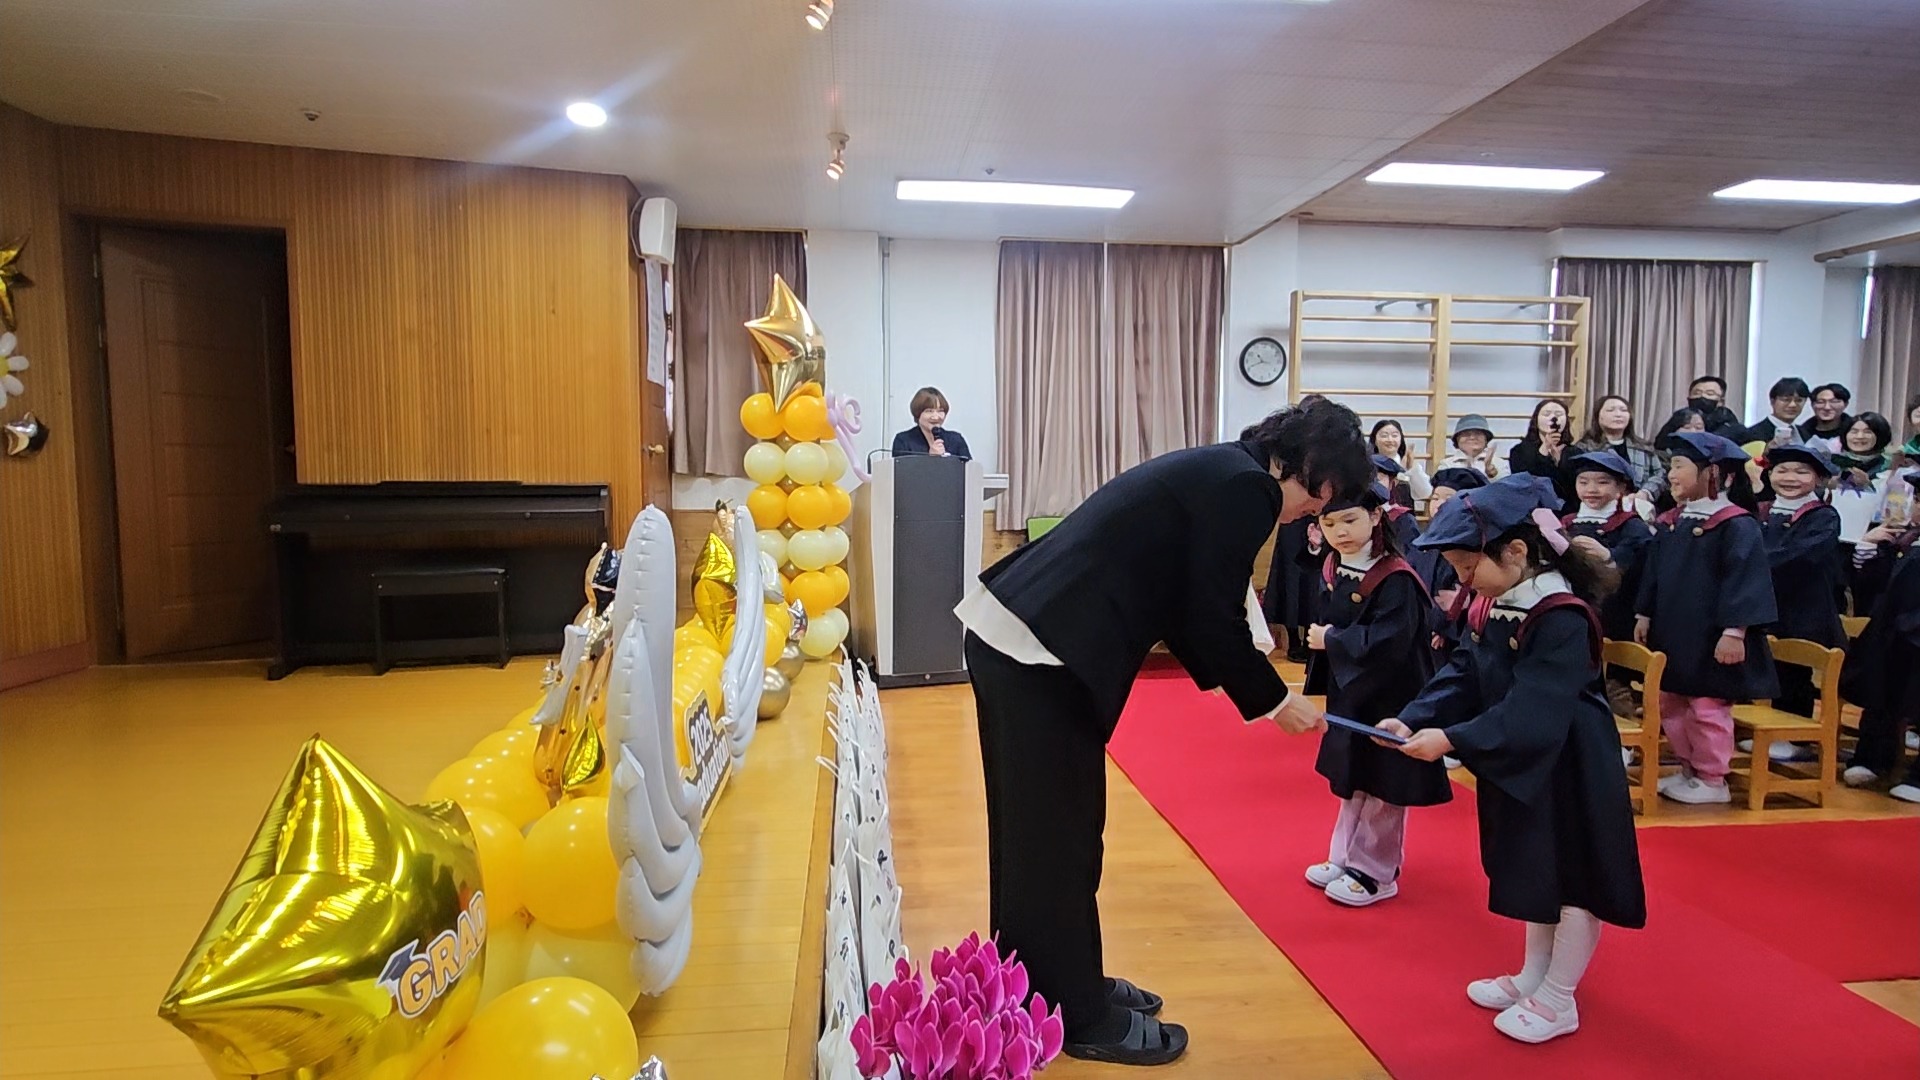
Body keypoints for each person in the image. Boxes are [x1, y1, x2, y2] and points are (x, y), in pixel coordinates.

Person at [957, 398, 1371, 1065]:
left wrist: (1256, 688)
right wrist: (1274, 701)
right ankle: (1077, 1016)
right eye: (1328, 495)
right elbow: (1208, 616)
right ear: (1316, 468)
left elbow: (1185, 606)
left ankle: (1049, 985)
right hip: (1040, 652)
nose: (1316, 512)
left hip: (1023, 639)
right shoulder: (1249, 488)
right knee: (1057, 841)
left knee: (1039, 837)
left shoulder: (1227, 470)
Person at [1375, 475, 1645, 1046]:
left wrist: (1451, 739)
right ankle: (1532, 976)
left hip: (1569, 763)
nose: (1461, 580)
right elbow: (1465, 671)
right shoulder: (1496, 602)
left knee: (1573, 879)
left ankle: (1559, 996)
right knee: (1534, 867)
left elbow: (1533, 707)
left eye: (1468, 567)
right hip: (1522, 757)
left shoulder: (1561, 614)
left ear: (1517, 551)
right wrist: (1414, 717)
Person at [1301, 483, 1448, 908]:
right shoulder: (1337, 564)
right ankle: (1344, 857)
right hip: (1353, 690)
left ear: (1376, 516)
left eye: (1350, 520)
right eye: (1330, 523)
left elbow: (1391, 641)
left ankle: (1376, 871)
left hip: (1392, 697)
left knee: (1384, 783)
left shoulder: (1395, 576)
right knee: (1354, 778)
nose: (1341, 532)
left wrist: (1332, 640)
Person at [1635, 432, 1778, 805]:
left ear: (1713, 472)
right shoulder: (1673, 522)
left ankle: (1713, 778)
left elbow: (1746, 579)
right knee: (1671, 702)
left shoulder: (1735, 524)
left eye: (1679, 466)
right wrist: (1644, 612)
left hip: (1713, 637)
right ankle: (1689, 769)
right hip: (1674, 632)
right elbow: (1654, 572)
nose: (1671, 475)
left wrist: (1735, 631)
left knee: (1707, 707)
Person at [1754, 443, 1845, 737]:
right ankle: (1766, 730)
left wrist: (1752, 564)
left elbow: (1802, 556)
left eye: (1801, 472)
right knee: (1767, 669)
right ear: (1769, 475)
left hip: (1804, 609)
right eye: (1782, 470)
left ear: (1818, 478)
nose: (1790, 478)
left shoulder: (1823, 517)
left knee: (1794, 673)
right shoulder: (1761, 511)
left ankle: (1794, 737)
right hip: (1764, 604)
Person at [1841, 471, 1920, 804]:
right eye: (1918, 500)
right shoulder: (1906, 541)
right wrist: (1869, 546)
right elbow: (1874, 587)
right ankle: (1872, 757)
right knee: (1880, 694)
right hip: (1892, 635)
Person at [1561, 450, 1655, 719]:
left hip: (1614, 616)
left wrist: (1609, 557)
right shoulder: (1566, 523)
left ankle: (1622, 725)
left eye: (1602, 482)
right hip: (1573, 614)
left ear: (1620, 488)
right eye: (1584, 482)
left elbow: (1642, 567)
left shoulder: (1631, 526)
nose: (1591, 489)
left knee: (1613, 679)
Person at [1832, 413, 1895, 610]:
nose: (1859, 436)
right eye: (1854, 431)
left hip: (1872, 544)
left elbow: (1895, 506)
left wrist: (1869, 486)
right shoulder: (1832, 465)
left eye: (1867, 432)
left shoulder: (1890, 468)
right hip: (1836, 542)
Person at [1572, 394, 1665, 509]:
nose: (1618, 414)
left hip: (1640, 507)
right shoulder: (1584, 448)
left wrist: (1645, 493)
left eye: (1623, 410)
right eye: (1611, 410)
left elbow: (1660, 475)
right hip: (1598, 508)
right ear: (1598, 416)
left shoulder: (1643, 447)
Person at [1508, 399, 1575, 503]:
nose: (1553, 418)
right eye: (1546, 414)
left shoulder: (1575, 453)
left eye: (1559, 414)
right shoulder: (1519, 451)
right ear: (1536, 419)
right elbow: (1523, 482)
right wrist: (1544, 450)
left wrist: (1559, 463)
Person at [891, 386, 972, 460]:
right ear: (917, 413)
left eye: (940, 411)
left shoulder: (956, 440)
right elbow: (902, 470)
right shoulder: (903, 440)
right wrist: (930, 459)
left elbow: (970, 468)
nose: (936, 417)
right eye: (929, 411)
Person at [1370, 419, 1432, 505]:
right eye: (1384, 436)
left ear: (1401, 439)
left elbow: (1425, 493)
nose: (1390, 439)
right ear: (1375, 440)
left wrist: (1412, 469)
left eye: (1394, 436)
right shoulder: (1367, 464)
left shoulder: (1409, 465)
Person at [1742, 377, 1811, 447]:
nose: (1793, 405)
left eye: (1799, 400)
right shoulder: (1752, 434)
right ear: (1772, 401)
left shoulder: (1806, 433)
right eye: (1786, 400)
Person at [1683, 375, 1747, 440]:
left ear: (1721, 401)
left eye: (1710, 394)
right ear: (1688, 398)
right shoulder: (1680, 419)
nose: (1702, 396)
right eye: (1697, 393)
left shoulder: (1732, 427)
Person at [1440, 414, 1502, 479]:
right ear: (1457, 440)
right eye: (1466, 434)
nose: (1472, 437)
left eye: (1478, 434)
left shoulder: (1499, 463)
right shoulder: (1447, 464)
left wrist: (1493, 475)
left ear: (1486, 440)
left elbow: (1506, 484)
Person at [1799, 383, 1853, 452]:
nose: (1827, 407)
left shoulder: (1855, 432)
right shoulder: (1801, 433)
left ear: (1845, 404)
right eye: (1820, 402)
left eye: (1834, 402)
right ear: (1812, 405)